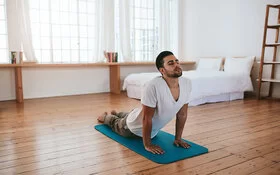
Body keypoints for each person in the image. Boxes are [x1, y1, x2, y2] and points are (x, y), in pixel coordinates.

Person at [97, 51, 192, 154]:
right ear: (162, 70)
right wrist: (148, 145)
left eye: (176, 61)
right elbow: (147, 118)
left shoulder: (187, 83)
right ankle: (106, 116)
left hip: (143, 121)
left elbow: (182, 114)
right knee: (116, 123)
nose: (176, 65)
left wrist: (178, 138)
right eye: (171, 63)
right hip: (132, 129)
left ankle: (118, 113)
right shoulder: (152, 86)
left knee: (131, 115)